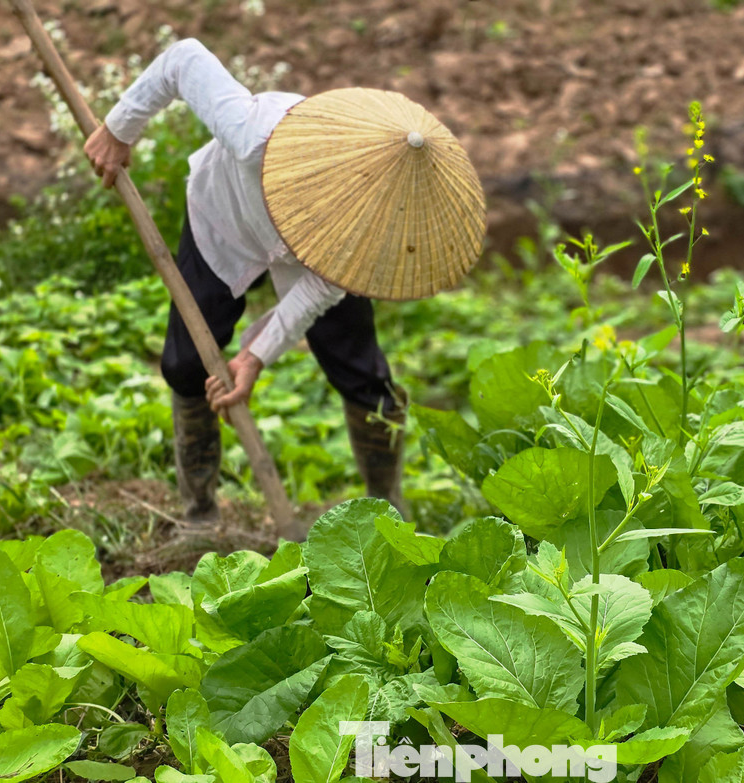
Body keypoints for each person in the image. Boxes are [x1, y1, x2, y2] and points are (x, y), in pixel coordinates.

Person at [82, 38, 484, 525]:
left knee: (364, 374)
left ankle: (388, 508)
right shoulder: (256, 135)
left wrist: (255, 356)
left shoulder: (365, 233)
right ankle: (200, 514)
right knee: (188, 363)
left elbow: (322, 287)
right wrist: (120, 128)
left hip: (315, 260)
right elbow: (184, 58)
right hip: (225, 221)